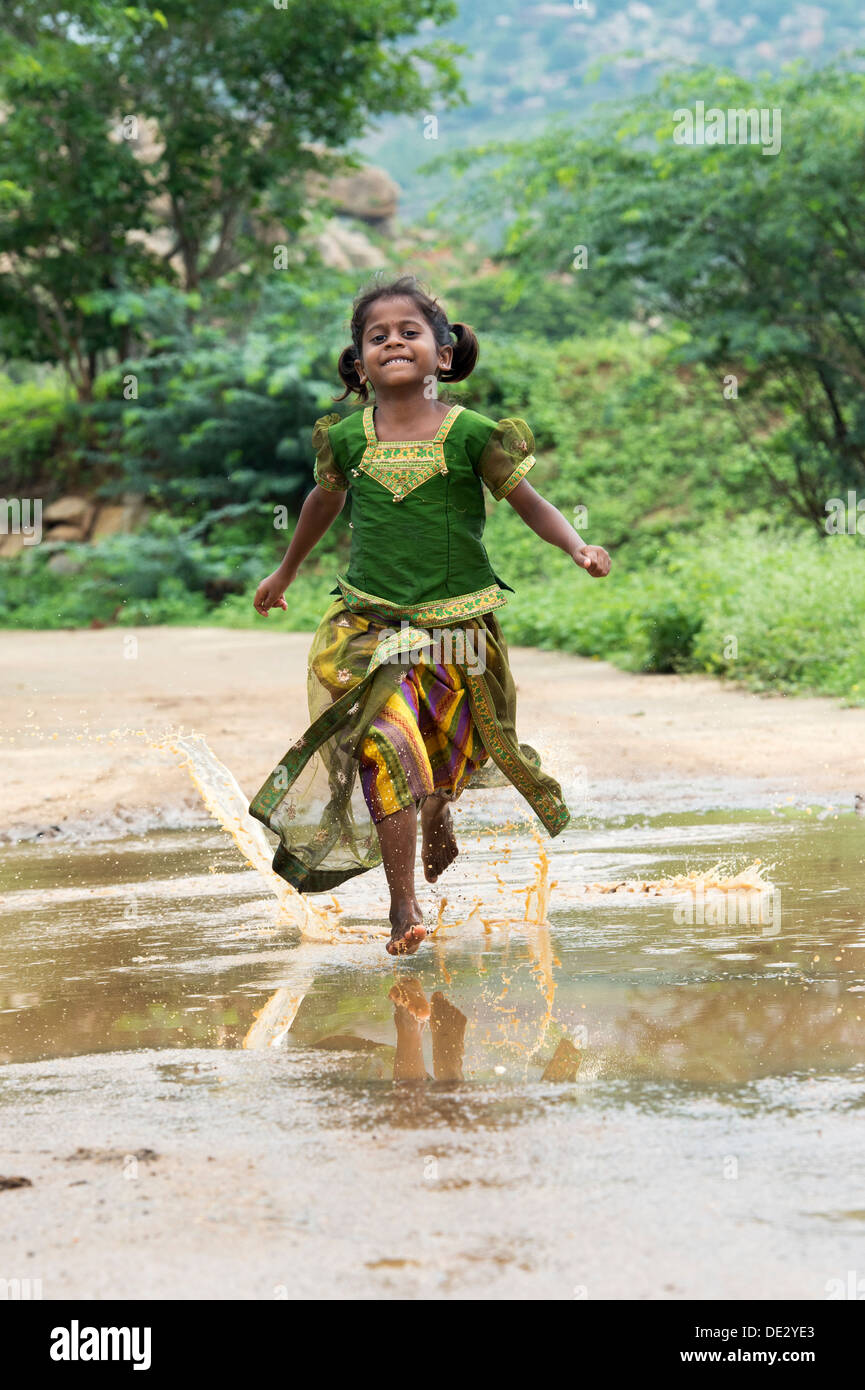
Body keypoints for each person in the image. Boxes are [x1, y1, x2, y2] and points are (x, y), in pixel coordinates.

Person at [250, 274, 610, 956]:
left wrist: (575, 545)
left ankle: (441, 811)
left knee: (443, 757)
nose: (392, 342)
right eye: (375, 335)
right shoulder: (347, 438)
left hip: (457, 634)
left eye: (408, 332)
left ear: (442, 355)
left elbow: (527, 500)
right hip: (369, 628)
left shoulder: (472, 433)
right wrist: (284, 571)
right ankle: (402, 906)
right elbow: (320, 506)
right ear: (358, 364)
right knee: (385, 748)